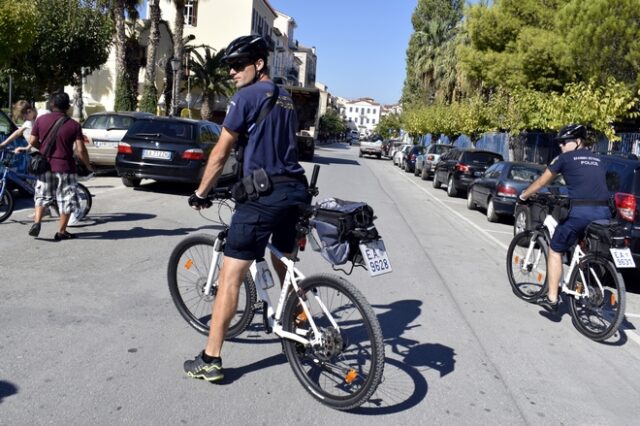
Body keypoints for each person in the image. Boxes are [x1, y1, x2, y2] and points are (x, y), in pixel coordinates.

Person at [183, 35, 310, 382]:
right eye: (229, 67)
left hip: (263, 198)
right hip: (296, 193)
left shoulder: (246, 97)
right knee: (283, 262)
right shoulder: (285, 98)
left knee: (230, 276)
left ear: (258, 64)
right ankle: (301, 329)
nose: (232, 72)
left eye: (238, 65)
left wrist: (201, 191)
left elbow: (221, 151)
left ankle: (211, 358)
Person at [519, 124, 611, 313]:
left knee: (555, 249)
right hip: (604, 213)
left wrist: (523, 196)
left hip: (581, 213)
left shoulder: (564, 158)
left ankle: (552, 299)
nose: (561, 146)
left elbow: (541, 182)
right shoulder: (598, 159)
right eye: (559, 143)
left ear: (577, 142)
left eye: (564, 142)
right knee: (580, 243)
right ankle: (581, 277)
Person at [15, 91, 93, 241]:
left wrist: (43, 147)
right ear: (68, 106)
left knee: (42, 195)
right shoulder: (74, 125)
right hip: (65, 167)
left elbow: (32, 141)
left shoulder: (41, 120)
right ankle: (61, 231)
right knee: (66, 199)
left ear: (52, 104)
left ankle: (37, 222)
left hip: (45, 165)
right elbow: (80, 150)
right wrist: (88, 166)